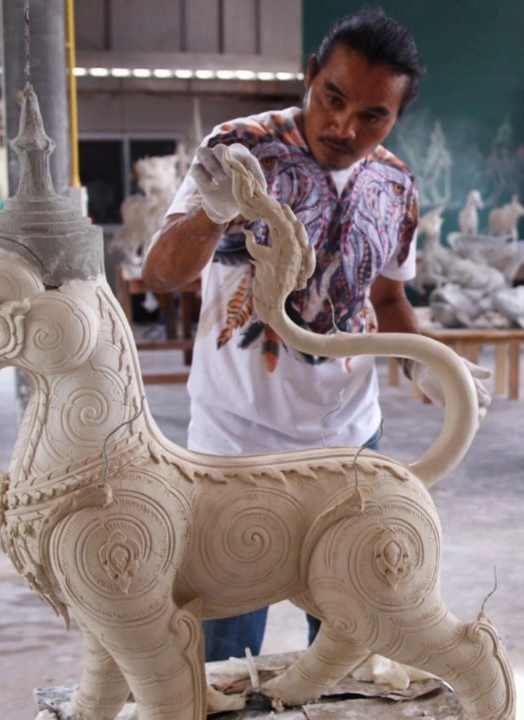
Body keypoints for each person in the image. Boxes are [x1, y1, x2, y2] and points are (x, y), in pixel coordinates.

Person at [143, 8, 489, 663]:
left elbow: (387, 294)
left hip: (351, 445)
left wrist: (429, 364)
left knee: (349, 633)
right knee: (225, 650)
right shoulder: (239, 150)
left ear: (396, 117)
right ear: (309, 77)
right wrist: (214, 214)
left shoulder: (396, 185)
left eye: (371, 115)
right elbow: (162, 274)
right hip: (236, 447)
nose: (344, 125)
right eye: (333, 99)